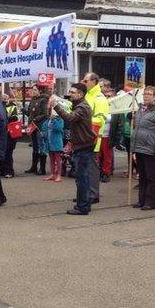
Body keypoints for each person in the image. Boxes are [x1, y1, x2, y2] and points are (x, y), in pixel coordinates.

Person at [50, 83, 96, 215]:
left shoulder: (82, 107)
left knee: (82, 178)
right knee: (81, 177)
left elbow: (69, 118)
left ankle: (83, 207)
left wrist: (56, 105)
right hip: (81, 145)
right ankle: (82, 203)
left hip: (84, 146)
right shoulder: (79, 105)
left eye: (73, 92)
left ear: (80, 94)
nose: (70, 94)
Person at [131, 86, 155, 210]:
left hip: (150, 148)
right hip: (139, 147)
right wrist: (133, 148)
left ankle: (151, 201)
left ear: (154, 97)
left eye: (149, 94)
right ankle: (141, 200)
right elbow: (136, 128)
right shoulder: (140, 110)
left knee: (151, 177)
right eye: (145, 94)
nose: (146, 96)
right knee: (142, 176)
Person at [82, 72, 110, 203]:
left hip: (92, 139)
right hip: (84, 138)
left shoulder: (99, 98)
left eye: (86, 81)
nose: (83, 82)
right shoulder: (88, 96)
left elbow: (100, 119)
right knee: (85, 169)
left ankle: (93, 194)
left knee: (92, 169)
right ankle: (85, 193)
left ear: (94, 82)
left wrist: (82, 120)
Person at [99, 87, 124, 182]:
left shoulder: (116, 109)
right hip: (98, 135)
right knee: (97, 155)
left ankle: (106, 173)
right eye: (105, 96)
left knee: (107, 156)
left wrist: (116, 140)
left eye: (109, 96)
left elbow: (120, 125)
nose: (107, 97)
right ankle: (98, 172)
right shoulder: (100, 106)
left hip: (108, 136)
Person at [25, 84, 49, 175]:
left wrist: (36, 119)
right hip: (32, 126)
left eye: (35, 90)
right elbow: (30, 113)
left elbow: (45, 114)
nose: (33, 91)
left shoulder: (43, 100)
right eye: (32, 89)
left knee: (41, 146)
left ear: (40, 91)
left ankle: (42, 169)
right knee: (35, 147)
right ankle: (34, 167)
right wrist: (24, 110)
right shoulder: (32, 100)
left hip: (40, 126)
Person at [0, 94, 19, 178]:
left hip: (10, 133)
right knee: (1, 153)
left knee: (8, 153)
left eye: (6, 98)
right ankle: (2, 170)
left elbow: (15, 118)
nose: (5, 99)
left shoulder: (13, 107)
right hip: (1, 133)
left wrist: (6, 118)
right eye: (3, 98)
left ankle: (9, 171)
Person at [43, 108, 65, 182]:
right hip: (49, 141)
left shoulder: (60, 120)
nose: (52, 113)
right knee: (51, 159)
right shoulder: (49, 119)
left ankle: (59, 175)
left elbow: (59, 128)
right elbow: (44, 126)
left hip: (56, 142)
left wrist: (54, 120)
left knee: (58, 159)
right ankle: (52, 174)